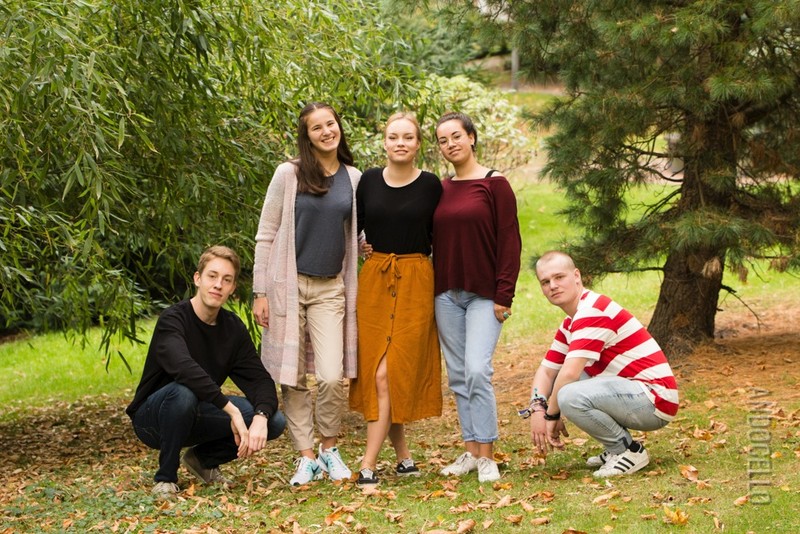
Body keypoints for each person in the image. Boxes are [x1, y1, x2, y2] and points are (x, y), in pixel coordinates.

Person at [253, 102, 360, 486]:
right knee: (292, 375)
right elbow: (266, 233)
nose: (326, 131)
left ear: (338, 127)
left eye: (330, 124)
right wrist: (260, 290)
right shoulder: (289, 173)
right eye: (317, 128)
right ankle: (306, 457)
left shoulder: (353, 177)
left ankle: (330, 449)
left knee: (332, 375)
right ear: (307, 135)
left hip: (331, 288)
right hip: (288, 285)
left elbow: (356, 231)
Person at [127, 245, 286, 500]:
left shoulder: (232, 329)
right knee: (183, 392)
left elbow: (259, 380)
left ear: (233, 288)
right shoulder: (173, 320)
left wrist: (261, 415)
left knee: (274, 420)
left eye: (227, 280)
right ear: (197, 279)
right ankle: (166, 478)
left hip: (198, 410)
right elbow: (185, 369)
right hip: (153, 419)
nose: (218, 285)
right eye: (212, 276)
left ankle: (202, 459)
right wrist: (231, 410)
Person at [349, 112, 443, 487]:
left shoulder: (432, 185)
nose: (400, 143)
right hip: (374, 279)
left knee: (391, 372)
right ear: (384, 142)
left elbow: (445, 233)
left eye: (408, 137)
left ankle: (368, 464)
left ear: (418, 144)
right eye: (393, 137)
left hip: (416, 279)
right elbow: (352, 228)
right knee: (378, 373)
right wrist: (360, 247)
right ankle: (403, 457)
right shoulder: (368, 181)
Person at [526, 251, 679, 477]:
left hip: (654, 399)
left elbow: (568, 374)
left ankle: (628, 451)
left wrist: (551, 415)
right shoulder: (571, 322)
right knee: (568, 387)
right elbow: (548, 370)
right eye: (545, 282)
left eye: (559, 277)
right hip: (632, 393)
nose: (553, 286)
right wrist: (537, 407)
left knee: (569, 394)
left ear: (576, 276)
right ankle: (617, 447)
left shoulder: (592, 311)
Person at [432, 112, 522, 483]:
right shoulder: (441, 188)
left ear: (471, 138)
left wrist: (504, 294)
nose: (450, 144)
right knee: (457, 376)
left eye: (456, 136)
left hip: (485, 295)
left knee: (476, 370)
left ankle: (487, 454)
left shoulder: (494, 184)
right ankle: (470, 451)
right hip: (446, 294)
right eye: (442, 140)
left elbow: (510, 241)